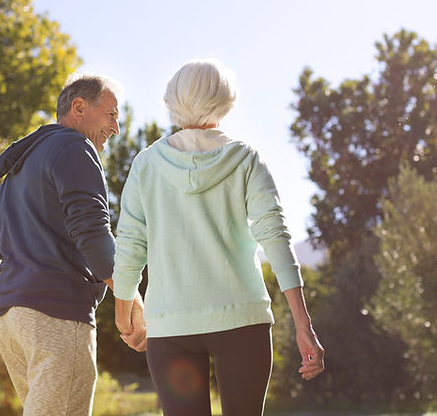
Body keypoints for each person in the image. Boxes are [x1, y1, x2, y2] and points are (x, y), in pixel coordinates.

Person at [112, 60, 325, 415]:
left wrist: (124, 315)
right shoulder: (245, 159)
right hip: (242, 321)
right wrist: (304, 326)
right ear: (226, 100)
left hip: (170, 326)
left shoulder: (146, 165)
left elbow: (131, 245)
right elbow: (276, 237)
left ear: (172, 100)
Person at [0, 75, 146, 416]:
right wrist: (133, 299)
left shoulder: (19, 170)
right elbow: (93, 237)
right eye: (111, 114)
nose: (116, 128)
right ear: (78, 107)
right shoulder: (75, 148)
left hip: (9, 321)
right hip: (55, 317)